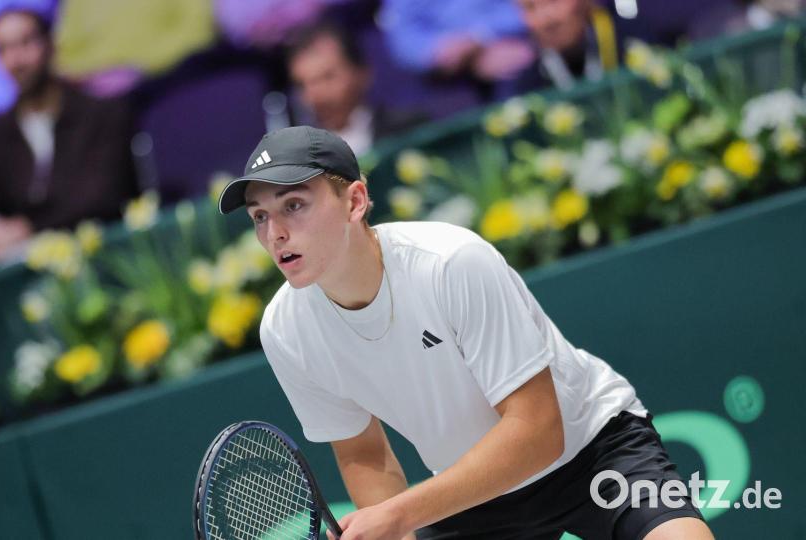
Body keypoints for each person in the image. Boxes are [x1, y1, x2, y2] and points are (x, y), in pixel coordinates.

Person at [217, 126, 714, 539]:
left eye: (294, 206)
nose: (274, 234)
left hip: (594, 449)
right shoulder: (285, 330)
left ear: (355, 202)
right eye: (260, 217)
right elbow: (362, 452)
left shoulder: (451, 262)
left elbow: (538, 431)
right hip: (472, 497)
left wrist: (402, 513)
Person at [0, 7, 138, 274]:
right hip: (29, 275)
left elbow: (105, 197)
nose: (16, 59)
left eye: (25, 43)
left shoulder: (101, 115)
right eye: (3, 49)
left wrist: (27, 228)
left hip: (103, 258)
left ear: (50, 44)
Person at [287, 22, 427, 157]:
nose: (316, 95)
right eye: (302, 85)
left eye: (327, 77)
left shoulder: (408, 132)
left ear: (361, 73)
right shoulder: (300, 162)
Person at [512, 0, 664, 93]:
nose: (546, 18)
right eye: (530, 7)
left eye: (554, 0)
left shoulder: (638, 43)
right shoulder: (526, 89)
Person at [378, 0, 536, 85]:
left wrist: (480, 37)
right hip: (453, 74)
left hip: (521, 43)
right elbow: (402, 38)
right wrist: (440, 50)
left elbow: (539, 6)